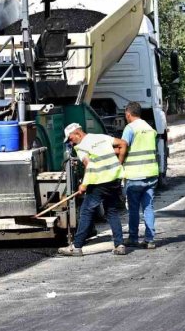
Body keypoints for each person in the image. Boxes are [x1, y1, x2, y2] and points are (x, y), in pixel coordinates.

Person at [58, 123, 128, 257]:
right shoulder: (101, 137)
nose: (71, 143)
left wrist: (84, 185)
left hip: (99, 182)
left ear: (78, 134)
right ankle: (120, 245)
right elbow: (123, 143)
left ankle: (76, 247)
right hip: (114, 179)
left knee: (86, 211)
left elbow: (88, 165)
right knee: (112, 211)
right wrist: (119, 164)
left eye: (71, 139)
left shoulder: (81, 147)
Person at [120, 101, 159, 249]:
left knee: (134, 209)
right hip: (151, 173)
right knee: (148, 207)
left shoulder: (130, 128)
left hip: (135, 175)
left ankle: (133, 237)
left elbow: (123, 147)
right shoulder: (150, 129)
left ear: (128, 114)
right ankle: (150, 239)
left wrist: (119, 164)